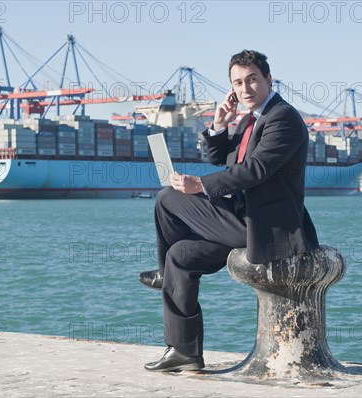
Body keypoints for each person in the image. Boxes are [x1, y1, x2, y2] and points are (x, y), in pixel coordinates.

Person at [140, 50, 319, 372]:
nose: (245, 88)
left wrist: (201, 186)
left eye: (252, 79)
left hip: (268, 226)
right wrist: (219, 125)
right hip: (241, 218)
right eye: (238, 82)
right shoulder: (252, 118)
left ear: (268, 79)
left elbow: (255, 170)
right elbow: (220, 158)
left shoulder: (282, 117)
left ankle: (162, 275)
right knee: (180, 255)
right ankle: (184, 352)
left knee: (168, 196)